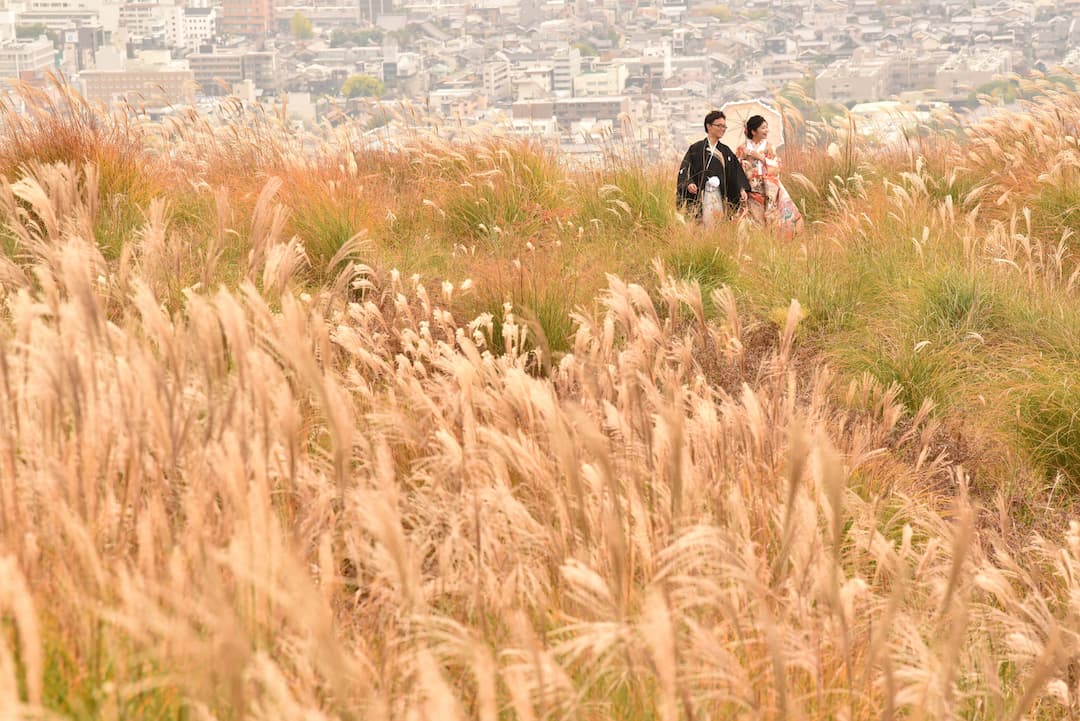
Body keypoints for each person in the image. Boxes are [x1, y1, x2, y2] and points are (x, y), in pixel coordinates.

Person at [735, 114, 804, 240]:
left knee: (772, 218)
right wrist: (746, 162)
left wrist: (760, 157)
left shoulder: (769, 147)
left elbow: (777, 167)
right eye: (763, 128)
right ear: (753, 131)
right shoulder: (742, 148)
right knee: (754, 220)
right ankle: (757, 244)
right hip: (750, 188)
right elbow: (737, 169)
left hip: (768, 188)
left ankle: (773, 243)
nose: (766, 130)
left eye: (767, 128)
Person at [676, 110, 750, 226]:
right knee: (699, 226)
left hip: (719, 195)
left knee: (718, 223)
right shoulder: (695, 149)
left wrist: (741, 188)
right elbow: (685, 168)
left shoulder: (726, 151)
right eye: (719, 125)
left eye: (724, 126)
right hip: (701, 194)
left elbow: (735, 172)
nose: (723, 129)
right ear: (709, 126)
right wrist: (689, 183)